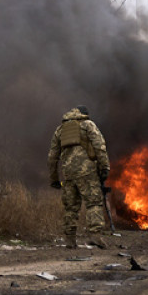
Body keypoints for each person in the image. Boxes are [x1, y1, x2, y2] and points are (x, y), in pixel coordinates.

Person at [47, 106, 110, 248]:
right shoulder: (88, 125)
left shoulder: (60, 129)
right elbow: (100, 147)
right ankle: (95, 235)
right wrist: (104, 167)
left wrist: (54, 179)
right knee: (93, 203)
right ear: (84, 115)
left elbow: (52, 157)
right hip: (87, 171)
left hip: (68, 174)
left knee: (71, 207)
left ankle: (70, 240)